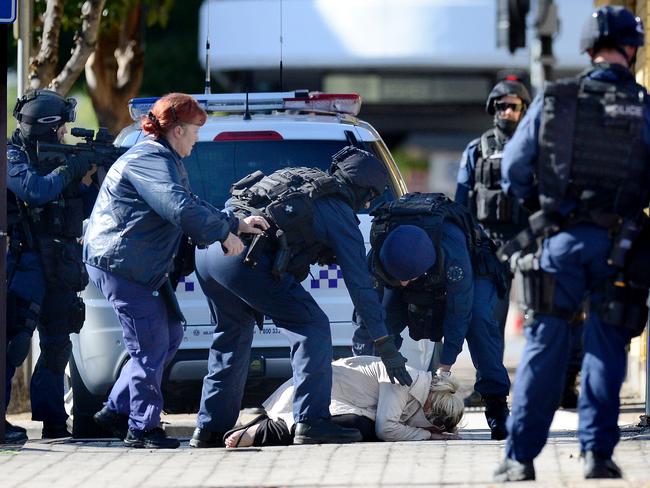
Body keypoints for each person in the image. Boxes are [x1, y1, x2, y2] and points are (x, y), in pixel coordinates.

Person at [494, 6, 650, 481]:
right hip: (618, 247)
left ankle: (520, 460)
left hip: (559, 242)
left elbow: (513, 170)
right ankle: (597, 456)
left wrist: (542, 205)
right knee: (607, 348)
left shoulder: (557, 98)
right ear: (631, 48)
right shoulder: (642, 105)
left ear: (587, 48)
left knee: (545, 344)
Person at [190, 146, 413, 448]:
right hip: (245, 259)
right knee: (313, 327)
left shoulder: (299, 179)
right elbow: (360, 286)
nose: (370, 202)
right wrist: (386, 347)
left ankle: (210, 428)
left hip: (209, 253)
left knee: (231, 335)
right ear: (364, 190)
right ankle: (312, 421)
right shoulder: (339, 210)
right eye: (371, 195)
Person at [83, 92, 268, 449]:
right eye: (196, 131)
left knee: (169, 334)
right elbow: (179, 208)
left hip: (135, 265)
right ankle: (142, 428)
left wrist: (236, 222)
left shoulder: (163, 157)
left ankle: (117, 409)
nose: (198, 139)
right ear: (178, 129)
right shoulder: (150, 158)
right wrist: (224, 235)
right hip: (123, 264)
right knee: (150, 346)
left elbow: (190, 202)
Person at [352, 193, 511, 440]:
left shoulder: (452, 252)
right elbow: (367, 313)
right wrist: (366, 363)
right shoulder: (379, 252)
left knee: (480, 321)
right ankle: (372, 405)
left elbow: (460, 312)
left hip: (473, 270)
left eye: (408, 278)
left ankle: (497, 407)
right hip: (410, 268)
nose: (404, 283)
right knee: (383, 323)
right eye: (399, 278)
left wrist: (444, 367)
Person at [5, 89, 97, 443]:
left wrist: (88, 176)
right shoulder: (12, 156)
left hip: (59, 262)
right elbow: (35, 190)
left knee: (58, 343)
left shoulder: (59, 158)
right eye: (59, 127)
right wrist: (69, 168)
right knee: (14, 344)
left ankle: (54, 421)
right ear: (44, 126)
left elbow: (83, 207)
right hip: (25, 263)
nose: (64, 133)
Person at [455, 76, 532, 408]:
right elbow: (461, 203)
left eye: (513, 106)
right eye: (501, 106)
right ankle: (489, 387)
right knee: (487, 321)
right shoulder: (477, 150)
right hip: (490, 248)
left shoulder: (537, 147)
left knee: (542, 318)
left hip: (529, 243)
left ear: (524, 108)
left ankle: (545, 387)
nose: (506, 112)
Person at [223, 356, 464, 448]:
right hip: (316, 397)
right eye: (435, 420)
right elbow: (387, 428)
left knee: (360, 428)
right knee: (360, 429)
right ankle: (265, 430)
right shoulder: (406, 380)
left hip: (323, 397)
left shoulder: (416, 389)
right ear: (431, 405)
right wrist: (428, 436)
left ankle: (261, 425)